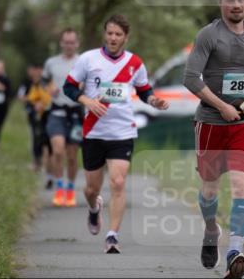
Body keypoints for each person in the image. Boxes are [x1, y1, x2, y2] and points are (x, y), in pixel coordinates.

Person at [183, 0, 244, 279]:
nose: (236, 5)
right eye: (230, 1)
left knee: (239, 186)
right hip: (211, 122)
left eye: (241, 0)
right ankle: (211, 231)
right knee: (209, 190)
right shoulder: (209, 35)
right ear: (221, 4)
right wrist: (221, 106)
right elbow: (191, 78)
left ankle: (236, 251)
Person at [63, 15, 169, 253]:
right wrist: (87, 101)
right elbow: (68, 87)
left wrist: (154, 101)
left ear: (125, 38)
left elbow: (143, 90)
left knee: (118, 182)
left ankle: (112, 236)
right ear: (105, 34)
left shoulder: (135, 63)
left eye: (118, 34)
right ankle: (94, 208)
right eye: (109, 33)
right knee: (91, 189)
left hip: (122, 131)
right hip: (93, 131)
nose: (113, 38)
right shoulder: (88, 59)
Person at [43, 29, 84, 207]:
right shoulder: (51, 63)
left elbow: (92, 82)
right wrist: (49, 87)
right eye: (66, 42)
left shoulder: (84, 61)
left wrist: (83, 86)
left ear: (77, 43)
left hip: (75, 114)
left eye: (72, 42)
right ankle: (59, 188)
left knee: (72, 156)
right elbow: (44, 80)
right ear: (61, 43)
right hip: (57, 113)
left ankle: (70, 188)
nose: (69, 45)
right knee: (58, 150)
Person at [19, 63, 52, 176]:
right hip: (36, 114)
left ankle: (48, 163)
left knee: (48, 139)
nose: (36, 72)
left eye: (38, 69)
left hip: (49, 114)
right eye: (34, 69)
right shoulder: (31, 83)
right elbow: (25, 97)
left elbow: (51, 96)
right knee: (36, 137)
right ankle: (37, 162)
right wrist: (34, 102)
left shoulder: (48, 82)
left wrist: (43, 103)